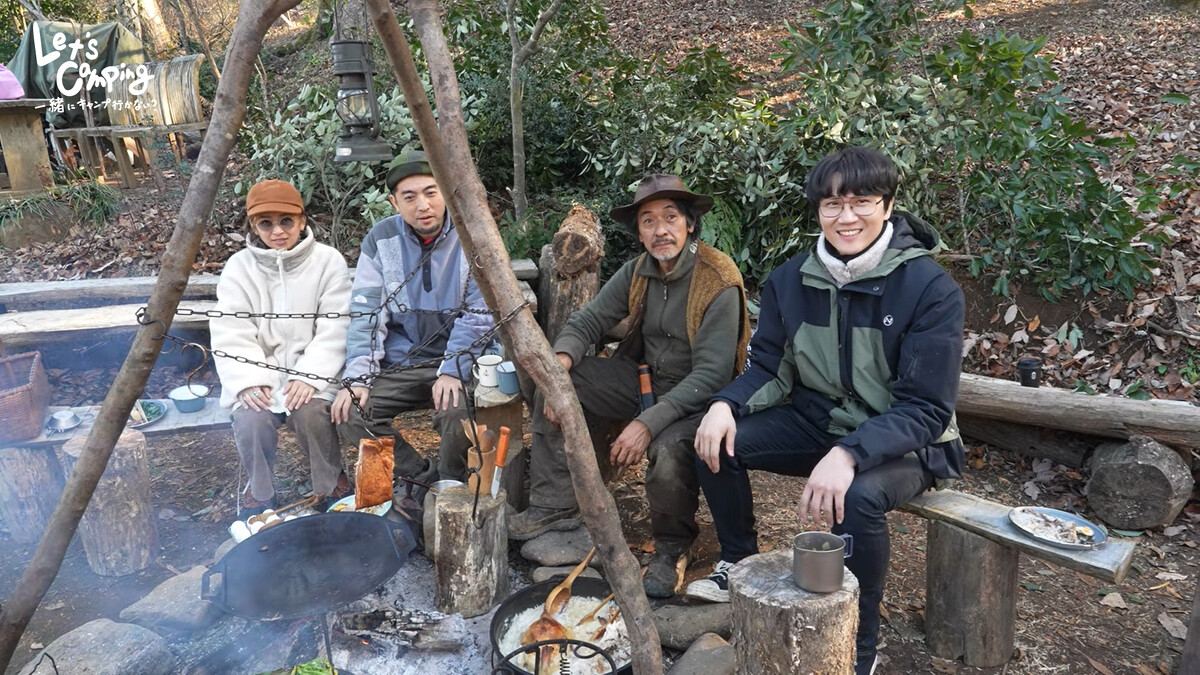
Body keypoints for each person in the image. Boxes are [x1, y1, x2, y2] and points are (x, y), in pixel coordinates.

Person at [688, 146, 965, 675]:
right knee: (712, 440)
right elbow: (769, 367)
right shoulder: (791, 280)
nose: (846, 217)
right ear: (818, 210)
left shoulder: (929, 288)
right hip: (821, 424)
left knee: (856, 497)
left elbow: (927, 409)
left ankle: (858, 648)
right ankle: (737, 561)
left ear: (888, 206)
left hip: (912, 445)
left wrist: (850, 453)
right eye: (832, 204)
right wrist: (725, 403)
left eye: (862, 202)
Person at [507, 174, 751, 599]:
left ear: (690, 223)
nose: (660, 230)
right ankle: (555, 505)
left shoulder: (718, 279)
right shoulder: (639, 270)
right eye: (648, 221)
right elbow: (588, 321)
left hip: (702, 400)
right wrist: (560, 364)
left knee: (668, 451)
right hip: (644, 380)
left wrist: (646, 424)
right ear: (639, 232)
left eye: (670, 218)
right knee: (551, 380)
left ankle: (671, 547)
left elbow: (712, 375)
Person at [332, 150, 493, 484]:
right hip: (403, 361)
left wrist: (453, 369)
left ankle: (451, 485)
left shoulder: (472, 235)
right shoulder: (380, 240)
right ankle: (422, 479)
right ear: (394, 203)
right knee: (352, 413)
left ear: (445, 193)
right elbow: (367, 314)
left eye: (431, 193)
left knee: (456, 414)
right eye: (410, 197)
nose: (423, 205)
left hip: (457, 360)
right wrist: (358, 378)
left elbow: (479, 314)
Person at [212, 179, 353, 517]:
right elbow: (231, 330)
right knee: (251, 418)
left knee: (312, 413)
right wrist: (249, 380)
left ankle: (330, 481)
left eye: (286, 221)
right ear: (254, 226)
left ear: (302, 221)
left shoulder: (327, 261)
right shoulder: (239, 268)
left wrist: (310, 376)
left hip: (314, 372)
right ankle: (260, 491)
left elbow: (336, 326)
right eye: (266, 223)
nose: (277, 231)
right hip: (261, 374)